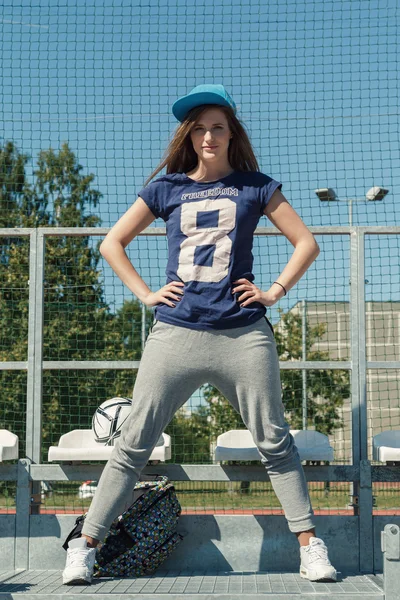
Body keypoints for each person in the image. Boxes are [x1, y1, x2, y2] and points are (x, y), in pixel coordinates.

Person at [62, 84, 337, 585]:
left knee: (274, 441)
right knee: (133, 444)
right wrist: (147, 294)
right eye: (199, 128)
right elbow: (112, 243)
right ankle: (84, 547)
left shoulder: (256, 186)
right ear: (188, 136)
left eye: (217, 127)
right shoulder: (167, 188)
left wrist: (273, 291)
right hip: (176, 333)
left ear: (232, 134)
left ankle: (310, 545)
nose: (208, 136)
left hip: (242, 335)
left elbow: (306, 243)